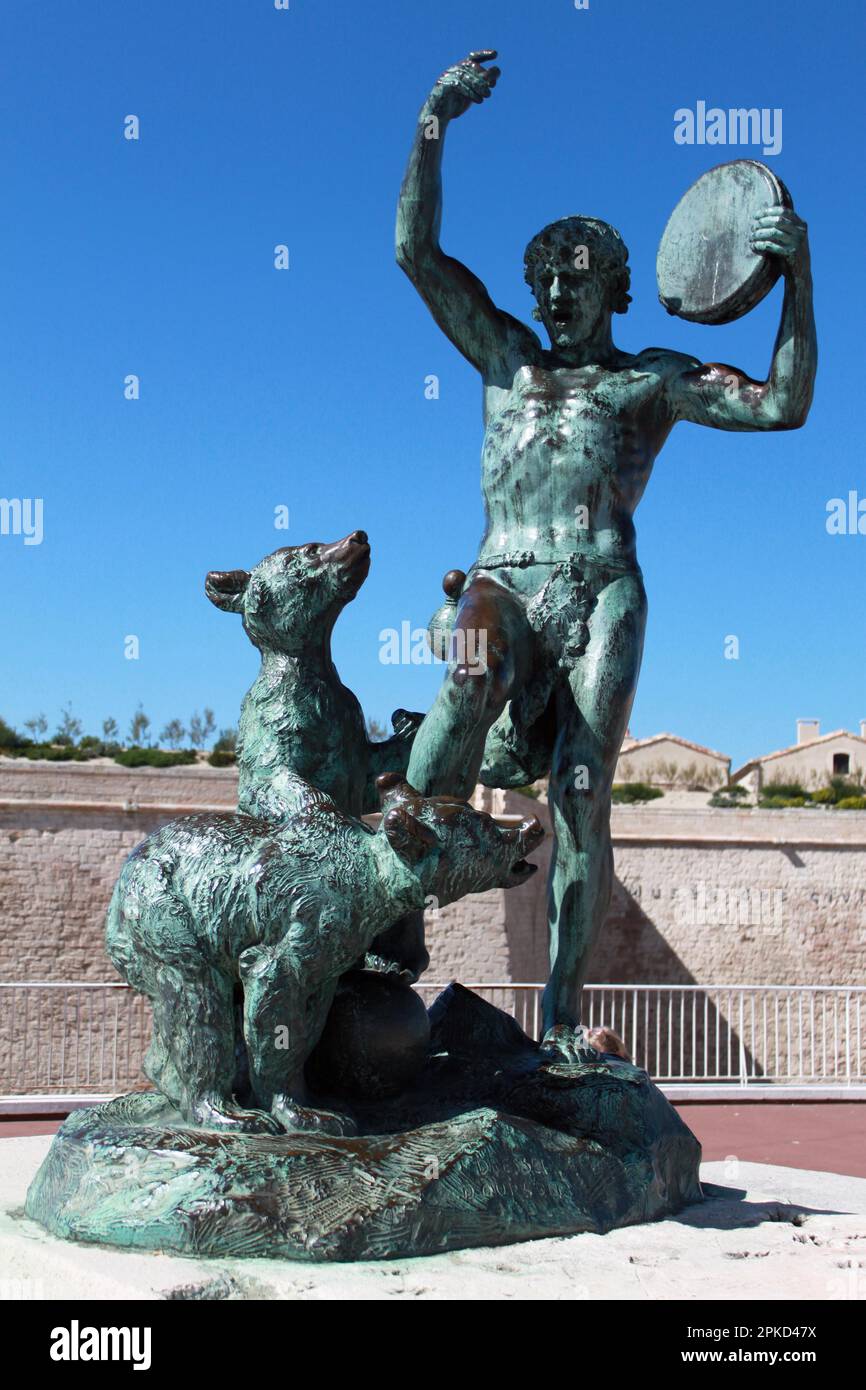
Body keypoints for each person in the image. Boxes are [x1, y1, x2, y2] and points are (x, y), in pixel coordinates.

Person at [397, 52, 817, 1061]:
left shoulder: (648, 380)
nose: (551, 295)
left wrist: (796, 277)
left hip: (602, 592)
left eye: (572, 281)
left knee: (582, 794)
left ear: (616, 289)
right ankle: (394, 865)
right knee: (468, 673)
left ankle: (559, 1019)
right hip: (503, 572)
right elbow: (415, 250)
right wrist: (431, 123)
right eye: (541, 278)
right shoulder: (503, 356)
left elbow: (780, 405)